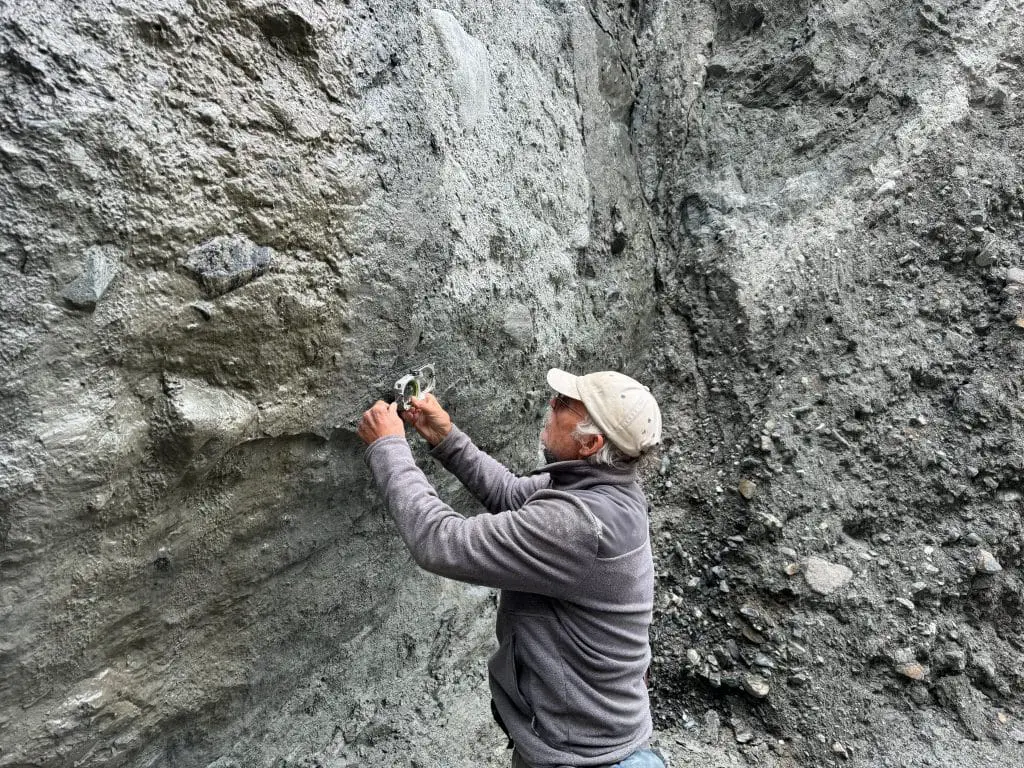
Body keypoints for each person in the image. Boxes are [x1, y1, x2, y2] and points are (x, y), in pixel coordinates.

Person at [357, 368, 665, 768]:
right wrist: (445, 437)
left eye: (565, 405)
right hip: (597, 739)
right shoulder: (605, 490)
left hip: (582, 758)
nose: (551, 405)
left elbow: (440, 543)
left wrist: (388, 447)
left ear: (590, 442)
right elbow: (510, 494)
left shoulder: (578, 525)